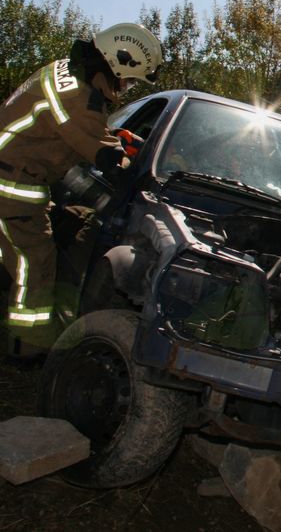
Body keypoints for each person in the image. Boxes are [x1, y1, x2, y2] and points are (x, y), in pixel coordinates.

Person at [0, 23, 162, 355]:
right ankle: (30, 347)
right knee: (35, 264)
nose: (126, 87)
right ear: (118, 61)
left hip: (10, 175)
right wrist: (147, 173)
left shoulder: (65, 71)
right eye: (129, 80)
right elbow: (106, 158)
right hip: (12, 188)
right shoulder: (79, 97)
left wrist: (117, 140)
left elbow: (76, 130)